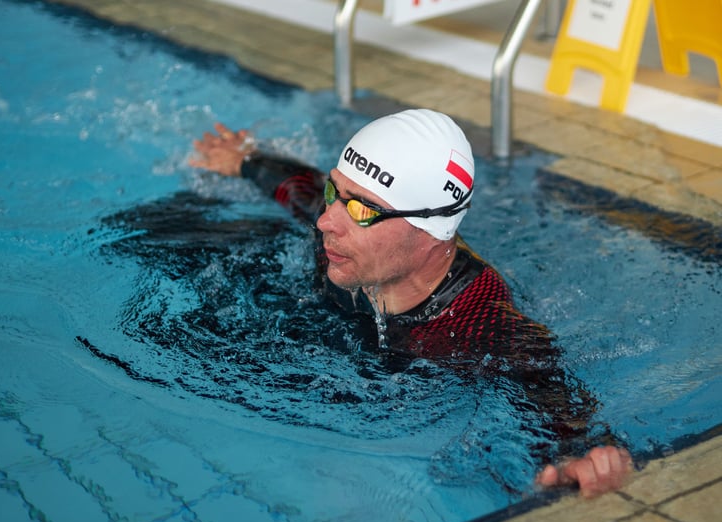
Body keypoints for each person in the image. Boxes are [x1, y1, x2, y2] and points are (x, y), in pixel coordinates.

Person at [189, 109, 632, 498]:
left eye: (363, 210)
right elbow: (300, 188)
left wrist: (585, 455)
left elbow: (556, 400)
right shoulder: (341, 240)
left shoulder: (479, 324)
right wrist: (247, 160)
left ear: (431, 230)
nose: (327, 222)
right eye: (334, 193)